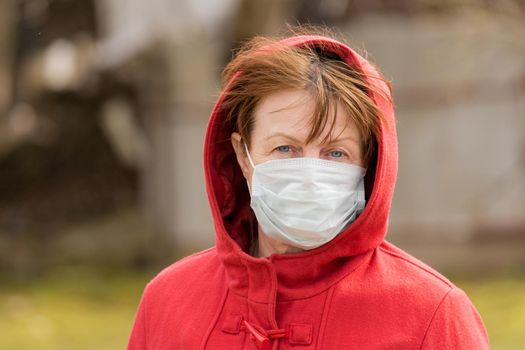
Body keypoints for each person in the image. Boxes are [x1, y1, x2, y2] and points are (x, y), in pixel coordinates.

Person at [127, 29, 489, 349]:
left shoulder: (432, 314)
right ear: (242, 154)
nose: (310, 174)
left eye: (335, 152)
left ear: (369, 166)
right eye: (285, 148)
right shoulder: (167, 301)